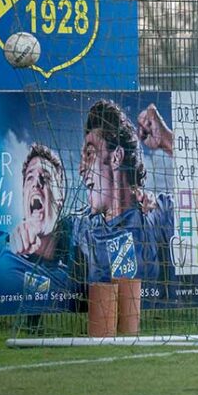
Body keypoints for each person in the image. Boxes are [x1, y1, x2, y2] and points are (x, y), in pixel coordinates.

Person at [75, 99, 174, 289]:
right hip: (104, 315)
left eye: (89, 154)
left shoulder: (159, 212)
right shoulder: (82, 227)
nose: (81, 169)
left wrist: (166, 141)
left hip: (153, 316)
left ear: (116, 157)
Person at [0, 144, 81, 315]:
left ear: (60, 198)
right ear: (23, 194)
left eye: (46, 178)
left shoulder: (78, 255)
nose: (36, 183)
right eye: (29, 178)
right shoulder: (2, 252)